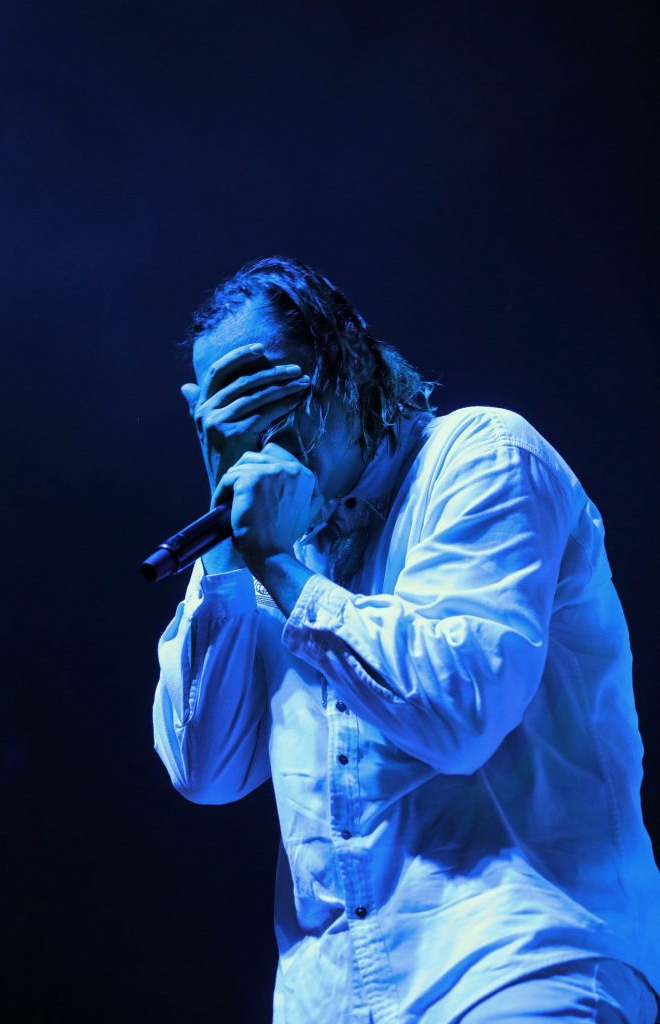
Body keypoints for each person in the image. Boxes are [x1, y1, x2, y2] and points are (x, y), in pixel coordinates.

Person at [152, 256, 660, 1023]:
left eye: (266, 389)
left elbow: (460, 716)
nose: (255, 431)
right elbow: (206, 771)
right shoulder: (266, 545)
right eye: (226, 412)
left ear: (346, 362)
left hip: (517, 964)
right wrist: (227, 548)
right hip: (336, 999)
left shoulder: (483, 455)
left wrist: (282, 569)